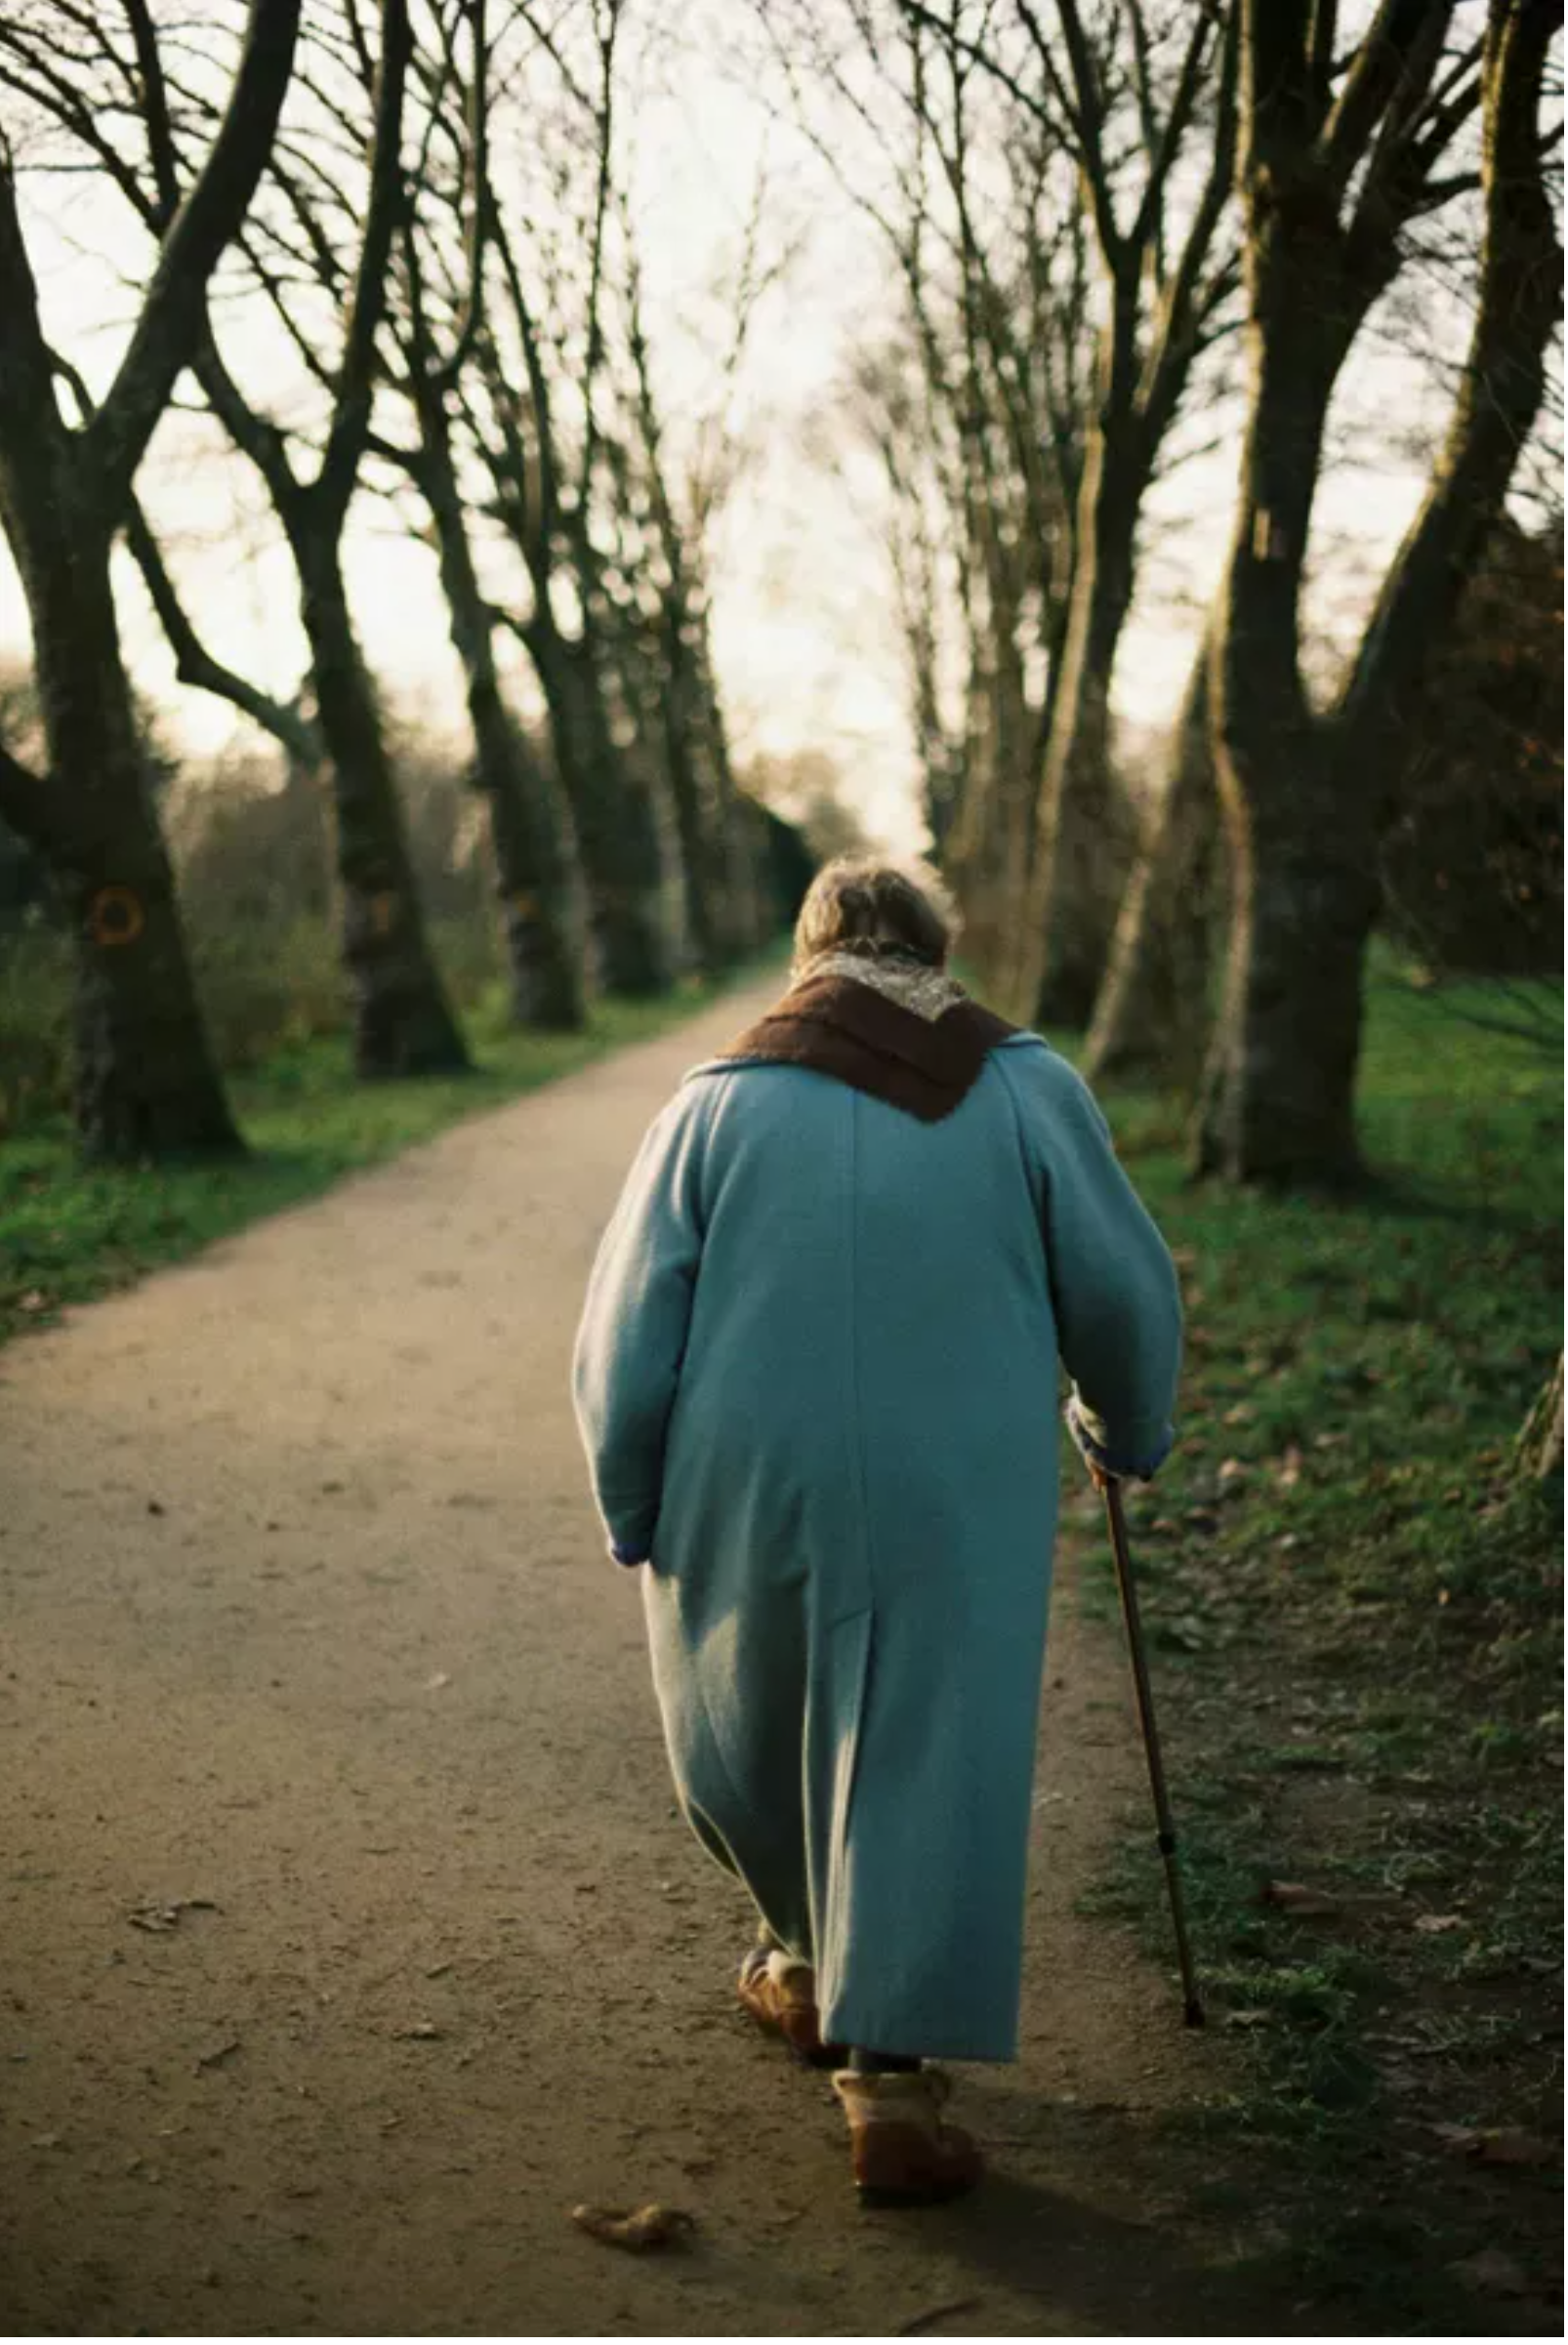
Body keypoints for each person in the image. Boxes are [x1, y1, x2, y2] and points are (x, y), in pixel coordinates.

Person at [572, 857, 1181, 2205]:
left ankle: (804, 1965)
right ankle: (878, 2058)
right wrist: (1122, 1424)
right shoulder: (1026, 1085)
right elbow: (1125, 1296)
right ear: (933, 954)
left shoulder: (710, 1103)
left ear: (808, 959)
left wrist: (631, 1495)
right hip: (954, 1472)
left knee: (750, 1713)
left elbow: (623, 1338)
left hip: (745, 1472)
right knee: (919, 1736)